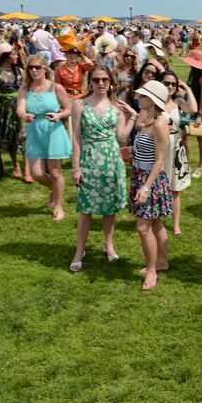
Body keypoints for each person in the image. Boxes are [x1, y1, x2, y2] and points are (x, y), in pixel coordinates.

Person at [69, 66, 137, 272]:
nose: (101, 83)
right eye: (97, 79)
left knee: (110, 209)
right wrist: (75, 167)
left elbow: (122, 137)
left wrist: (132, 116)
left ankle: (109, 245)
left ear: (110, 82)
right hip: (89, 160)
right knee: (85, 209)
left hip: (111, 161)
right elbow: (76, 138)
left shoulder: (116, 107)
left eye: (105, 79)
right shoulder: (79, 104)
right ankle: (79, 250)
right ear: (90, 81)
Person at [17, 55, 73, 221]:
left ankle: (58, 206)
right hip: (35, 130)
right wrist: (24, 114)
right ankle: (55, 191)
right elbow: (20, 108)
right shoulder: (25, 89)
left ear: (45, 69)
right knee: (37, 173)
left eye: (38, 67)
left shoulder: (56, 87)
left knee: (55, 172)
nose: (34, 71)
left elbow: (69, 108)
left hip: (53, 130)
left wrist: (59, 115)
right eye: (31, 68)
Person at [130, 80, 174, 290]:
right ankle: (162, 262)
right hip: (141, 175)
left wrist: (146, 187)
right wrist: (131, 151)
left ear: (153, 100)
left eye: (143, 96)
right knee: (155, 223)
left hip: (151, 180)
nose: (138, 98)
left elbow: (160, 159)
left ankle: (152, 271)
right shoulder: (148, 120)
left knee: (143, 228)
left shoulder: (159, 124)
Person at [158, 70, 197, 237]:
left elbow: (194, 109)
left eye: (173, 84)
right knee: (159, 186)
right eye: (167, 83)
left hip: (175, 146)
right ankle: (157, 221)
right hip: (159, 146)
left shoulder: (179, 102)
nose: (171, 86)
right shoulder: (155, 102)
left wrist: (187, 88)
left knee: (175, 188)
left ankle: (176, 225)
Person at [0, 43, 31, 181]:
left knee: (23, 137)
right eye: (13, 54)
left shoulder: (20, 71)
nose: (16, 56)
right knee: (10, 137)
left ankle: (27, 169)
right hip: (4, 109)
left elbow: (27, 90)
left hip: (20, 106)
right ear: (6, 57)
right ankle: (16, 164)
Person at [181, 50, 202, 179]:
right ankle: (186, 164)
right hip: (188, 107)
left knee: (200, 138)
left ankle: (201, 166)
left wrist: (199, 115)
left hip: (199, 110)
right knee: (185, 136)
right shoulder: (192, 73)